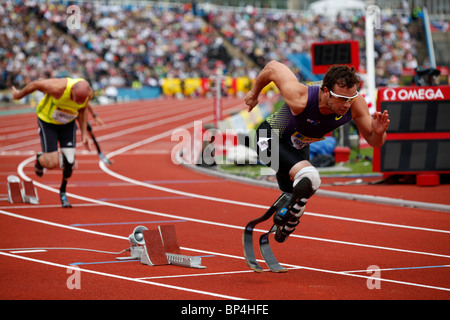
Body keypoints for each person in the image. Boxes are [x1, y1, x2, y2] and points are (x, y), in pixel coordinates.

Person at [245, 60, 390, 243]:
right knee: (311, 177)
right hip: (268, 138)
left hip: (298, 146)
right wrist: (254, 92)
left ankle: (288, 213)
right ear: (326, 91)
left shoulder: (355, 104)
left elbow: (375, 142)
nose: (346, 104)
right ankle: (285, 210)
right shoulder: (301, 97)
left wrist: (379, 133)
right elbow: (273, 67)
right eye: (341, 98)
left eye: (351, 98)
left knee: (303, 194)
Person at [12, 78, 93, 207]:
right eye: (76, 99)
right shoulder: (58, 88)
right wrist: (18, 95)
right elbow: (35, 84)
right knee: (51, 163)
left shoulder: (88, 94)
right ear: (71, 91)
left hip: (67, 123)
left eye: (80, 101)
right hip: (48, 122)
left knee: (70, 162)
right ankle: (40, 160)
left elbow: (83, 110)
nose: (77, 102)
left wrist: (84, 133)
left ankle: (63, 192)